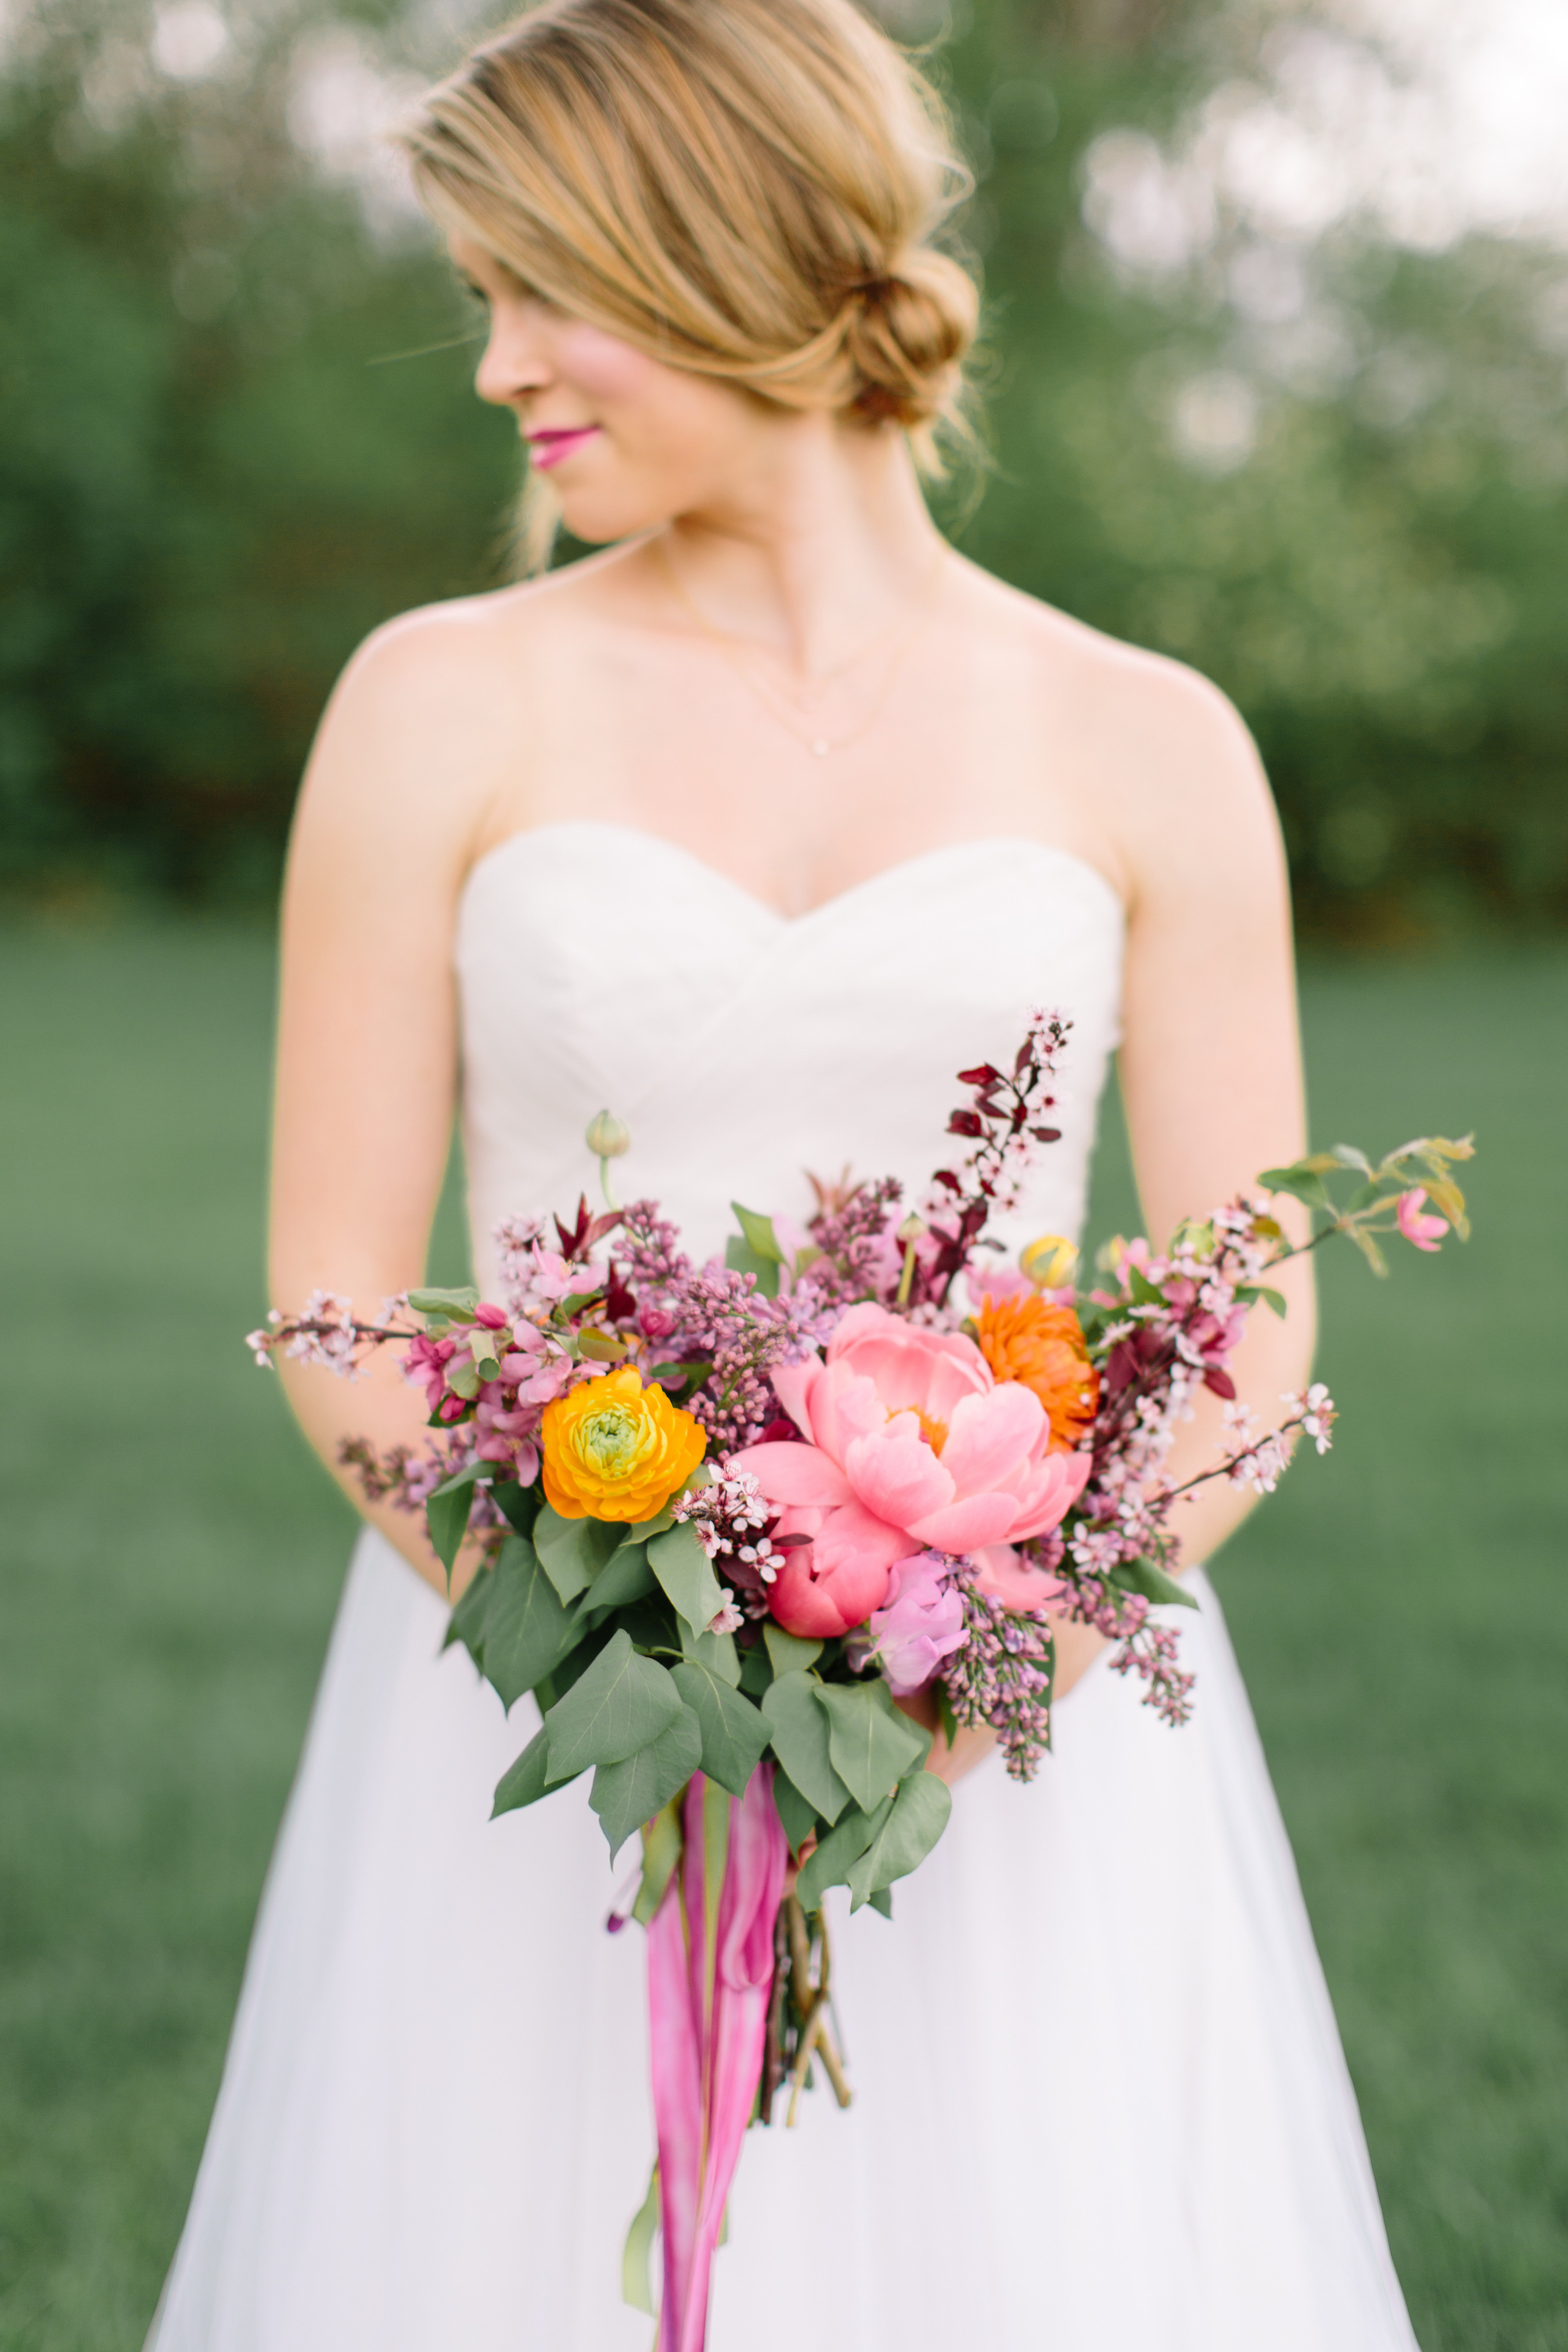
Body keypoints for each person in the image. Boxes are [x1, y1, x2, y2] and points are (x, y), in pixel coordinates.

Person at [146, 0, 1422, 2343]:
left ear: (731, 248)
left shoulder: (1155, 738)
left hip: (1010, 1739)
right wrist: (624, 1637)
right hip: (533, 1719)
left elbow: (1250, 1302)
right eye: (477, 294)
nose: (494, 360)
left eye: (542, 283)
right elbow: (335, 1283)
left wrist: (978, 1643)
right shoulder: (437, 696)